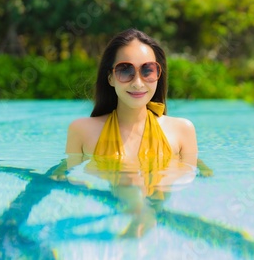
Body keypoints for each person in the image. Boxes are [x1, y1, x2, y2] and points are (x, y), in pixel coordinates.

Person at [63, 28, 199, 237]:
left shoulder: (182, 130)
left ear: (158, 75)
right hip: (111, 213)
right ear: (110, 77)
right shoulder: (81, 130)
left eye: (148, 71)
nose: (137, 82)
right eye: (125, 71)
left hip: (158, 219)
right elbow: (74, 182)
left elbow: (187, 179)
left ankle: (143, 217)